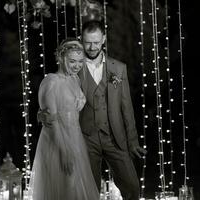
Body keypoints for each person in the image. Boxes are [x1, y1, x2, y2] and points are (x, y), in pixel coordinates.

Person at [39, 20, 146, 200]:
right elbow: (57, 98)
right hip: (85, 139)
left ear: (103, 39)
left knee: (132, 187)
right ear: (82, 39)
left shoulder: (118, 69)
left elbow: (126, 108)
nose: (92, 46)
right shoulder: (74, 68)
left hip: (115, 137)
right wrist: (43, 114)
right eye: (88, 42)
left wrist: (133, 140)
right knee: (89, 191)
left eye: (96, 42)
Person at [29, 39, 100, 200]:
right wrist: (64, 152)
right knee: (64, 186)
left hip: (75, 139)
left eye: (80, 61)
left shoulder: (75, 79)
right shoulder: (51, 82)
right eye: (72, 61)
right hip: (57, 141)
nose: (77, 66)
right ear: (61, 58)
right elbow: (51, 122)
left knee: (76, 187)